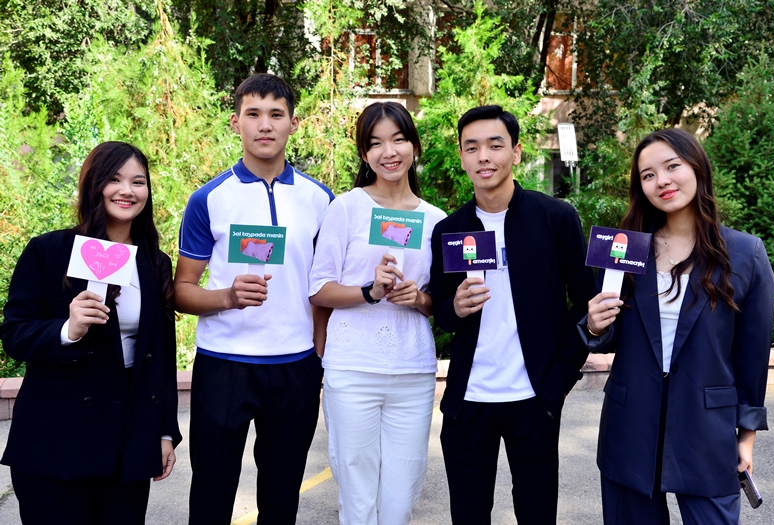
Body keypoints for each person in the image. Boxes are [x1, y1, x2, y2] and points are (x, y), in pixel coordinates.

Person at [583, 128, 774, 524]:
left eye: (672, 166)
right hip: (630, 427)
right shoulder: (626, 249)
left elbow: (752, 356)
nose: (662, 181)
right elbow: (607, 335)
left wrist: (747, 436)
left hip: (707, 432)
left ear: (697, 167)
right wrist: (595, 326)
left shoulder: (745, 252)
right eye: (648, 175)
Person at [175, 73, 333, 524]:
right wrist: (227, 296)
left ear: (293, 124)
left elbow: (322, 290)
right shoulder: (208, 199)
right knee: (212, 491)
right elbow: (181, 289)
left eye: (276, 114)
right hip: (224, 364)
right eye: (253, 114)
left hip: (296, 365)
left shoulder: (321, 200)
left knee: (282, 496)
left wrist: (318, 355)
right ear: (235, 123)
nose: (265, 125)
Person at [428, 105, 595, 524]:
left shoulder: (555, 218)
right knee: (468, 515)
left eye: (495, 145)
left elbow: (585, 302)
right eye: (472, 147)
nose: (483, 156)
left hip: (534, 398)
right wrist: (455, 307)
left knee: (537, 514)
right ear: (461, 157)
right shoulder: (450, 229)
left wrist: (560, 377)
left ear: (516, 152)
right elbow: (442, 314)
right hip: (469, 400)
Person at [0, 141, 181, 524]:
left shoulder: (154, 263)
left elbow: (161, 354)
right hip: (56, 442)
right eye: (114, 179)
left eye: (138, 182)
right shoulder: (49, 251)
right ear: (93, 184)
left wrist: (164, 432)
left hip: (127, 444)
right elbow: (15, 334)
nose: (127, 191)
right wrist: (68, 329)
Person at [309, 102, 446, 524]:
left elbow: (440, 302)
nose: (389, 152)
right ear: (364, 154)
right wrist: (369, 291)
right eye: (376, 143)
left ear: (414, 146)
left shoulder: (436, 220)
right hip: (352, 369)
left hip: (413, 372)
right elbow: (319, 288)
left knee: (401, 499)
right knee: (358, 496)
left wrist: (417, 298)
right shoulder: (346, 207)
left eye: (398, 139)